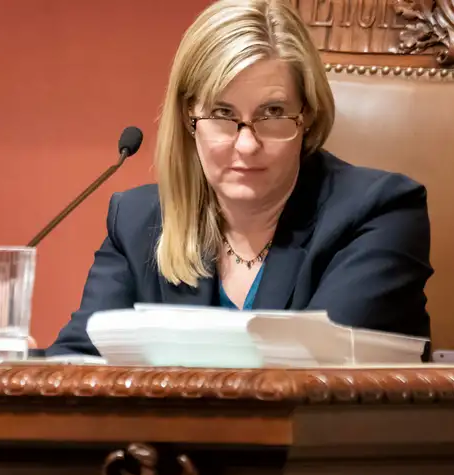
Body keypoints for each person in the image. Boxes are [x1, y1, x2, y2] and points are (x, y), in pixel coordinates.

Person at [46, 0, 433, 357]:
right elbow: (76, 365)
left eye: (273, 112)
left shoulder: (379, 214)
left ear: (307, 115)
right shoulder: (138, 223)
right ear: (189, 118)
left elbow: (313, 372)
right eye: (222, 113)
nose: (247, 145)